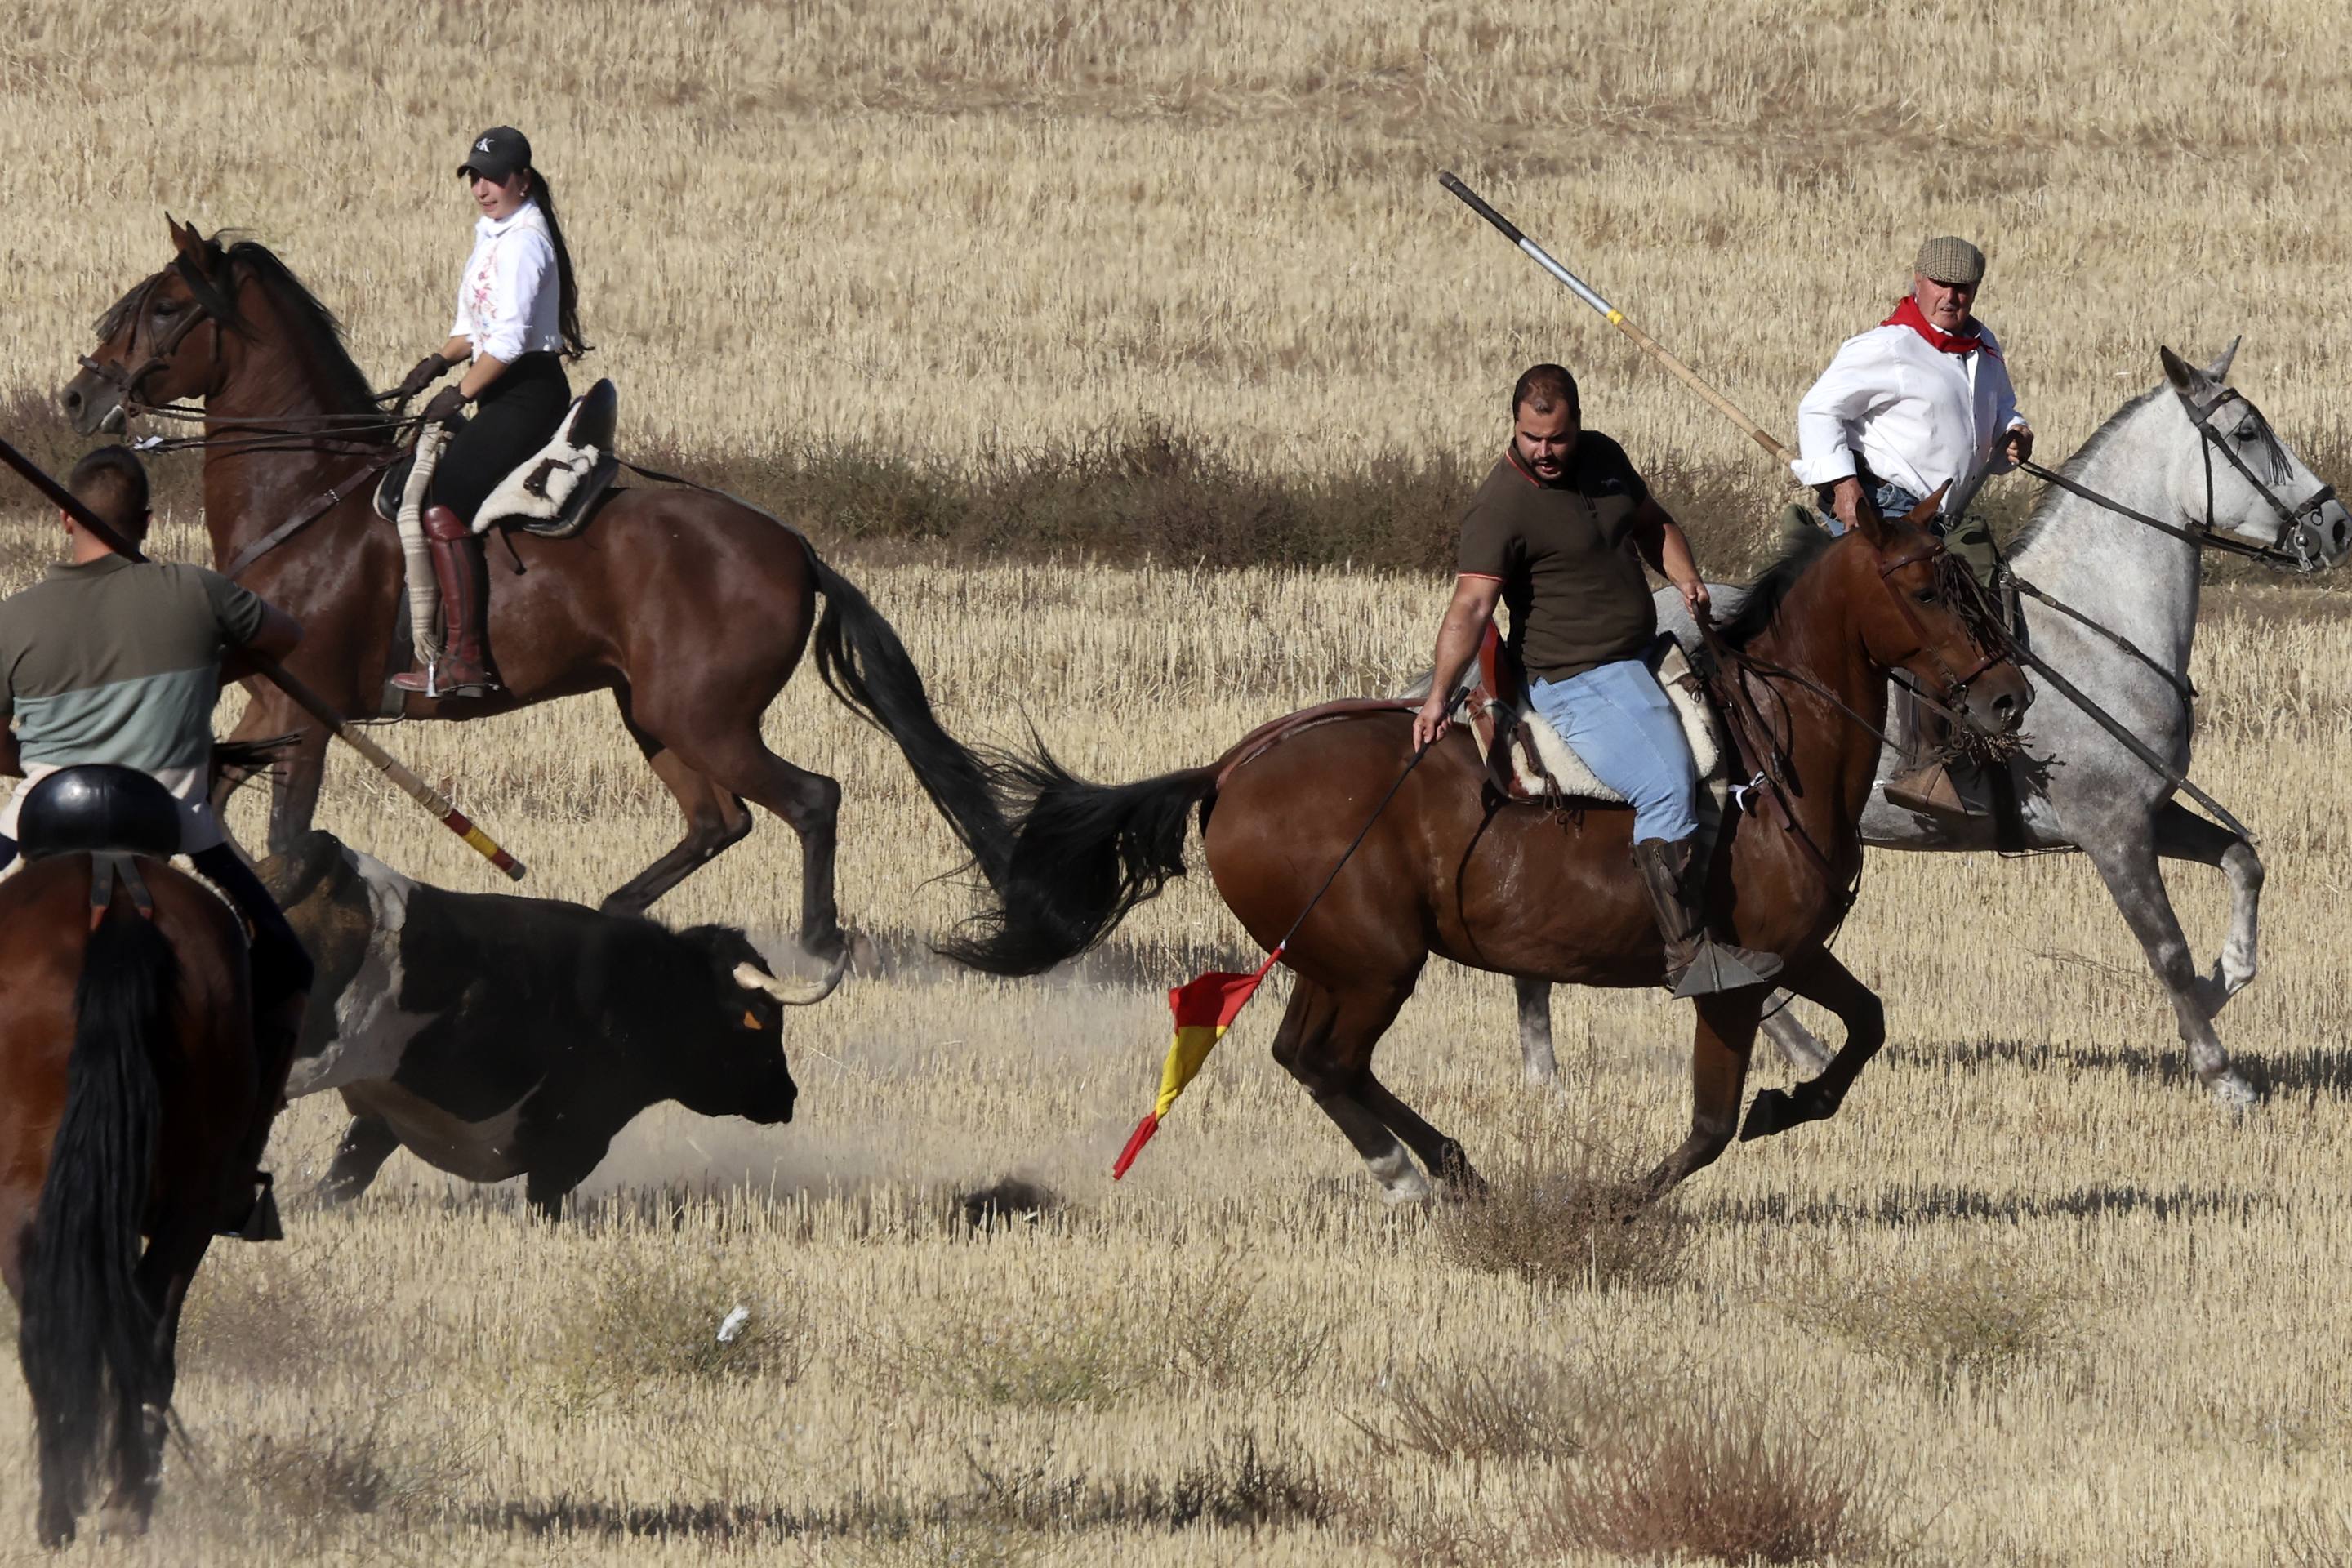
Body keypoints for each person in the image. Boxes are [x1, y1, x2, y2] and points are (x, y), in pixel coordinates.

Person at [0, 446, 314, 1232]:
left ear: (64, 517)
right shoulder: (197, 592)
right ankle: (238, 1166)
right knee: (286, 964)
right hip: (173, 820)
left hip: (40, 816)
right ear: (146, 522)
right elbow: (287, 635)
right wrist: (205, 663)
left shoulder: (13, 618)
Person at [1412, 365, 1782, 999]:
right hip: (1575, 679)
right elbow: (1470, 607)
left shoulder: (1605, 457)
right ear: (1515, 427)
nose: (1544, 451)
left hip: (1645, 655)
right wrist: (1438, 697)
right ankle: (1686, 954)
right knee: (1666, 784)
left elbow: (1652, 524)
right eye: (1531, 437)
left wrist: (1685, 576)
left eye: (1556, 438)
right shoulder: (1500, 505)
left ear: (1578, 426)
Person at [1791, 235, 2034, 819]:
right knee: (1936, 616)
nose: (1952, 296)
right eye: (1941, 285)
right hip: (1890, 509)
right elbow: (1819, 409)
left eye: (1963, 288)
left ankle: (1977, 736)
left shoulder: (1983, 346)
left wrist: (2014, 434)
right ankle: (1923, 764)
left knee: (1991, 600)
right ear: (1918, 282)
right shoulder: (1887, 347)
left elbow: (2001, 411)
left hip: (1945, 512)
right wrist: (1842, 483)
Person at [387, 125, 592, 697]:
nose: (482, 189)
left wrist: (462, 392)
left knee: (447, 496)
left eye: (494, 179)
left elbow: (509, 340)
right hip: (495, 383)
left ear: (522, 180)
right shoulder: (492, 233)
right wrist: (437, 362)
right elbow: (473, 328)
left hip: (526, 391)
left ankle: (465, 658)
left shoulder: (525, 241)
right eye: (474, 177)